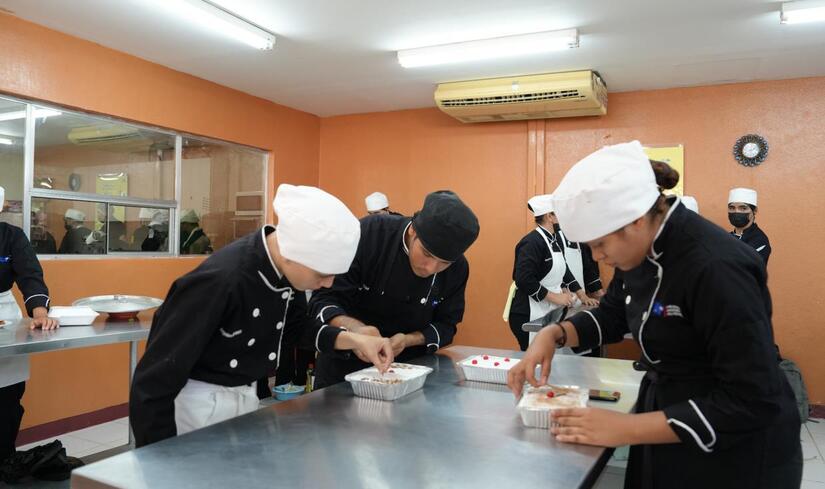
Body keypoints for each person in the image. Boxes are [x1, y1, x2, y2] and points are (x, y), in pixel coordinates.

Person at [507, 141, 802, 489]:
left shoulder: (716, 267)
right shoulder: (640, 250)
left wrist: (626, 428)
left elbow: (753, 400)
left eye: (599, 244)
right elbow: (614, 313)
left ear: (633, 221)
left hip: (735, 455)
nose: (598, 257)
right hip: (668, 421)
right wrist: (553, 335)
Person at [129, 184, 394, 447]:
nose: (328, 284)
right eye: (323, 274)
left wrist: (355, 340)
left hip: (244, 398)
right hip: (193, 413)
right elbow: (153, 381)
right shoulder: (222, 280)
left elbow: (296, 329)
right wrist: (157, 459)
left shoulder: (288, 274)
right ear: (293, 253)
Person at [309, 190, 479, 388]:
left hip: (411, 372)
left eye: (444, 263)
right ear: (412, 231)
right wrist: (357, 331)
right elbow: (324, 299)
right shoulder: (369, 235)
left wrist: (407, 340)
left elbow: (447, 325)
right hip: (342, 371)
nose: (431, 268)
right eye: (426, 253)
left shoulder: (458, 269)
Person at [0, 186, 59, 465]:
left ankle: (5, 460)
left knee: (7, 399)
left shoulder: (11, 237)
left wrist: (39, 312)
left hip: (4, 317)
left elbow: (30, 275)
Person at [507, 194, 596, 351]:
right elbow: (523, 279)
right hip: (528, 314)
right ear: (550, 216)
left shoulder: (553, 240)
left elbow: (564, 270)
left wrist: (580, 294)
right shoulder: (531, 242)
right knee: (536, 361)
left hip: (548, 310)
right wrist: (556, 298)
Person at [728, 188, 771, 264]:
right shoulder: (727, 237)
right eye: (732, 208)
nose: (736, 212)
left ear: (754, 211)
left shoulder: (759, 241)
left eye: (743, 208)